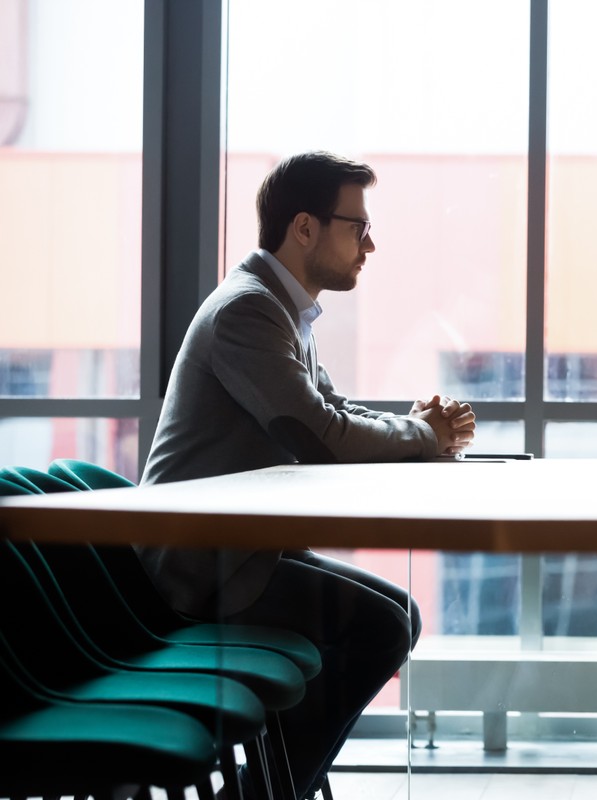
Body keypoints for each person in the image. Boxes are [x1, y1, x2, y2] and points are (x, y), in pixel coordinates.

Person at [137, 150, 476, 799]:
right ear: (304, 228)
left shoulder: (279, 307)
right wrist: (423, 436)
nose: (369, 245)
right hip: (203, 568)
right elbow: (316, 436)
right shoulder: (247, 311)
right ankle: (262, 795)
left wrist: (415, 426)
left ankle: (266, 789)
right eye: (358, 227)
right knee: (382, 626)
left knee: (398, 615)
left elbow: (329, 411)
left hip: (245, 553)